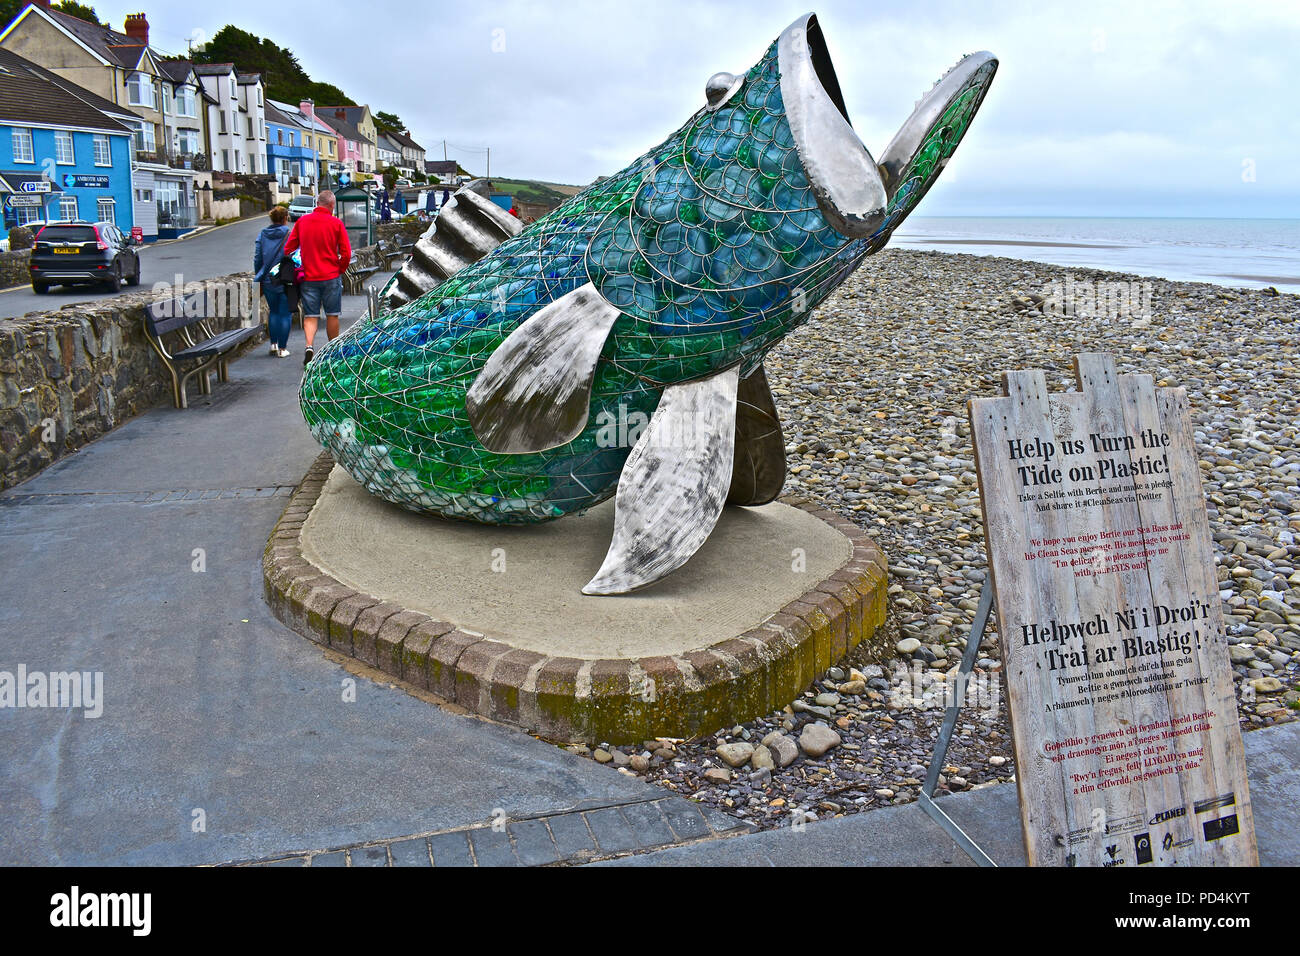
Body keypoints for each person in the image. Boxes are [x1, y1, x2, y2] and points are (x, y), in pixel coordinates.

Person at [285, 189, 352, 365]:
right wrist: (340, 269)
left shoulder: (302, 222)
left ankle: (309, 346)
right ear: (331, 205)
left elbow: (288, 249)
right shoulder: (336, 223)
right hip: (330, 276)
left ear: (317, 204)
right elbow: (346, 253)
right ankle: (332, 352)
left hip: (309, 276)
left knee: (311, 315)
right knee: (332, 314)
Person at [253, 206, 293, 357]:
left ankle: (273, 345)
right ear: (285, 218)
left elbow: (257, 258)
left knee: (274, 312)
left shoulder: (263, 234)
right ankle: (283, 349)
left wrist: (260, 274)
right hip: (285, 279)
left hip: (268, 279)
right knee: (285, 313)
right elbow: (296, 256)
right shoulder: (290, 234)